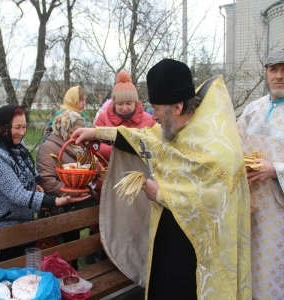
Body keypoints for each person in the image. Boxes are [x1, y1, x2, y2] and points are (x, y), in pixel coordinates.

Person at [71, 59, 252, 299]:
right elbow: (144, 137)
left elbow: (215, 201)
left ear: (177, 107)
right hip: (165, 240)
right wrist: (96, 132)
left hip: (198, 254)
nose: (152, 115)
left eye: (156, 108)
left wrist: (161, 195)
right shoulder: (173, 129)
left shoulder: (218, 147)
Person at [0, 105, 90, 235]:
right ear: (1, 127)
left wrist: (34, 185)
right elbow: (16, 193)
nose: (22, 132)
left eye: (24, 127)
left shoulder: (17, 145)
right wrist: (55, 201)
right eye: (17, 127)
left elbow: (27, 172)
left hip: (19, 223)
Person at [237, 48, 284, 299]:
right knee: (246, 269)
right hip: (248, 204)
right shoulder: (252, 109)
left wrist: (275, 169)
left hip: (278, 213)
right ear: (266, 73)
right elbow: (233, 144)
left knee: (272, 274)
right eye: (273, 69)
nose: (279, 76)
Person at [36, 110, 97, 269]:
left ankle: (73, 272)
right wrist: (70, 194)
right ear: (64, 128)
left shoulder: (77, 146)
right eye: (74, 130)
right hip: (60, 207)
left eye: (81, 130)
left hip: (74, 206)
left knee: (72, 248)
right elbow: (47, 180)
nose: (77, 134)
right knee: (61, 250)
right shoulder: (48, 147)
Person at [94, 70, 156, 162]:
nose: (124, 107)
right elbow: (97, 146)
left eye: (129, 103)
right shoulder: (103, 118)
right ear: (114, 103)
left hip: (141, 173)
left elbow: (155, 145)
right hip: (109, 171)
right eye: (120, 104)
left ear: (135, 102)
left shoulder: (150, 120)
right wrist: (126, 150)